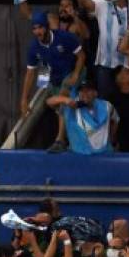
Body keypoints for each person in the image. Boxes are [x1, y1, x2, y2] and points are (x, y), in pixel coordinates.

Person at [20, 11, 84, 152]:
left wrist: (76, 74)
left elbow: (81, 56)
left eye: (40, 27)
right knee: (49, 102)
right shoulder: (34, 47)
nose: (37, 31)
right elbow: (31, 72)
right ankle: (70, 137)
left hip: (71, 72)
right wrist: (24, 99)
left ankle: (60, 140)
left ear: (47, 27)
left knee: (62, 98)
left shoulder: (65, 38)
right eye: (34, 28)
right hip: (54, 77)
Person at [74, 0, 129, 99]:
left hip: (126, 64)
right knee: (105, 99)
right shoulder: (103, 4)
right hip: (105, 64)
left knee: (127, 99)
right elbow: (84, 3)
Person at [46, 82, 119, 155]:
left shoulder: (107, 106)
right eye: (82, 91)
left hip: (104, 154)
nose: (85, 93)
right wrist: (65, 100)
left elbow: (115, 120)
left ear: (95, 93)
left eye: (88, 91)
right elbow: (49, 102)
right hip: (79, 155)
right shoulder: (70, 108)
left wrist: (111, 138)